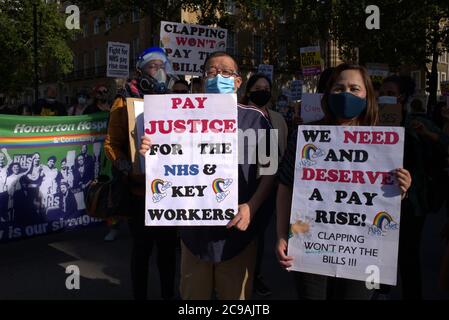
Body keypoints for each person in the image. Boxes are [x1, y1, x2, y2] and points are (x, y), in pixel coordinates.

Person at [140, 51, 277, 300]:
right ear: (203, 80)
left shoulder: (256, 119)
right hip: (194, 234)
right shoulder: (181, 117)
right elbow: (166, 164)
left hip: (237, 234)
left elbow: (270, 171)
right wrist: (151, 149)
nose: (218, 77)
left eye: (225, 72)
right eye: (212, 72)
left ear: (237, 81)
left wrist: (251, 207)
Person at [276, 64, 412, 300]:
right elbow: (286, 187)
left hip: (363, 251)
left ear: (367, 95)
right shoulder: (305, 136)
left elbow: (386, 199)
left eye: (354, 88)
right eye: (339, 88)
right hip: (310, 246)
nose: (346, 94)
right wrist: (280, 234)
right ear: (328, 94)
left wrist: (402, 188)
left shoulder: (384, 141)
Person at [104, 46, 178, 300]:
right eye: (152, 66)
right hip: (139, 192)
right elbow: (111, 144)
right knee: (142, 251)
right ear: (140, 70)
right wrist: (127, 166)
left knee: (168, 252)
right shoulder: (124, 100)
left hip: (170, 192)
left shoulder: (174, 100)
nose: (158, 71)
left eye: (162, 66)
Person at [380, 75, 449, 299]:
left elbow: (444, 145)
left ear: (402, 96)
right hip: (379, 199)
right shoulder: (373, 122)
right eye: (383, 93)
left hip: (412, 202)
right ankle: (378, 291)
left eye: (391, 94)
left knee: (408, 255)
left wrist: (426, 135)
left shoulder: (416, 123)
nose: (385, 97)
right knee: (377, 252)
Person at [240, 73, 288, 296]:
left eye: (266, 87)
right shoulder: (239, 115)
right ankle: (239, 276)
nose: (263, 90)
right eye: (258, 87)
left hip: (270, 184)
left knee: (259, 234)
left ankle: (254, 274)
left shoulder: (277, 118)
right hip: (246, 186)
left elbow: (283, 148)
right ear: (248, 91)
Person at [0, 148, 13, 222]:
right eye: (0, 158)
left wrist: (5, 152)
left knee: (4, 210)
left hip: (4, 193)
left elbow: (10, 161)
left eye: (2, 158)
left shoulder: (5, 169)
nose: (1, 159)